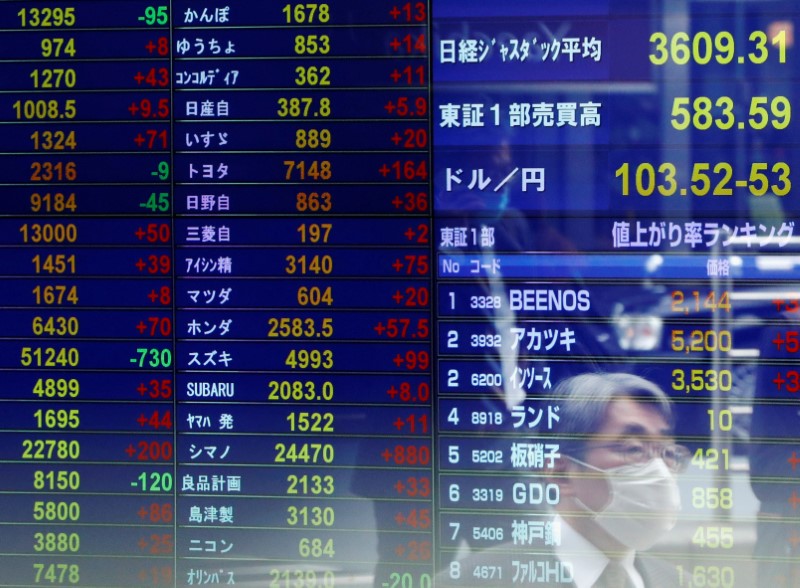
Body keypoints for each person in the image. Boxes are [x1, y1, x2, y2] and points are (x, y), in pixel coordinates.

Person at [440, 372, 687, 587]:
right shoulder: (470, 583)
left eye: (667, 452)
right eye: (633, 449)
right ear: (560, 473)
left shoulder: (682, 582)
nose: (659, 470)